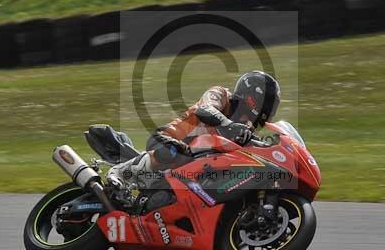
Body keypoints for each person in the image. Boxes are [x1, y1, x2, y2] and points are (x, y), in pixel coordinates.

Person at [107, 70, 281, 197]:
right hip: (168, 139)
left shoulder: (245, 128)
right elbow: (205, 109)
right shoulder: (221, 95)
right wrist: (229, 124)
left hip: (193, 166)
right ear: (254, 97)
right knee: (178, 151)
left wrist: (273, 147)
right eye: (268, 104)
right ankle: (121, 172)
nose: (268, 110)